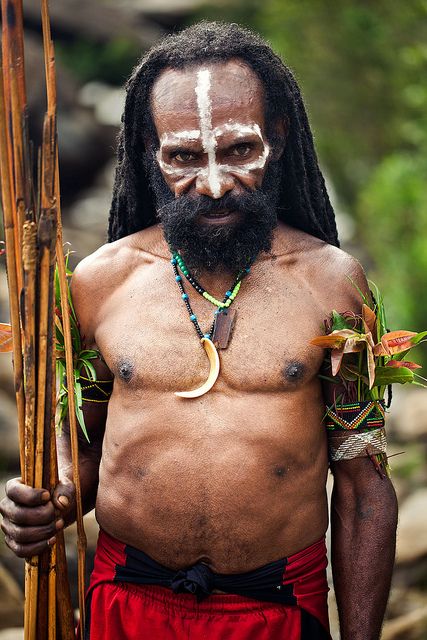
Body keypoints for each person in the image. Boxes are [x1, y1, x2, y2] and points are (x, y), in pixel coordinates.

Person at [0, 21, 397, 640]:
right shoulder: (101, 283)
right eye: (184, 157)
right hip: (126, 603)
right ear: (149, 153)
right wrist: (47, 503)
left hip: (276, 609)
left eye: (240, 150)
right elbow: (82, 450)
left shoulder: (333, 286)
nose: (213, 184)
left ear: (280, 136)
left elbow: (362, 487)